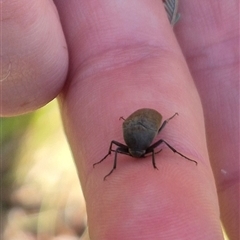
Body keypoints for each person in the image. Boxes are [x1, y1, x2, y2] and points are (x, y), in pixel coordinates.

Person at [1, 1, 238, 239]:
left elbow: (152, 145)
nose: (136, 157)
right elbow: (121, 147)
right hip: (143, 122)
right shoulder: (131, 143)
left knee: (156, 142)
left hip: (147, 121)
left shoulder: (140, 143)